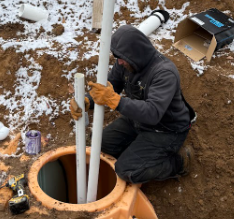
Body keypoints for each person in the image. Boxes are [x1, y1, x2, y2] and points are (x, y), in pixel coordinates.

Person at [70, 24, 196, 184]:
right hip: (137, 120)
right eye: (118, 57)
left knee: (127, 170)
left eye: (122, 58)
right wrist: (88, 101)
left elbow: (152, 113)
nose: (119, 62)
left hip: (166, 130)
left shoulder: (164, 73)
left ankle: (178, 162)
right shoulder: (126, 62)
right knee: (98, 145)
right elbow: (110, 85)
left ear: (135, 54)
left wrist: (114, 100)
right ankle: (138, 151)